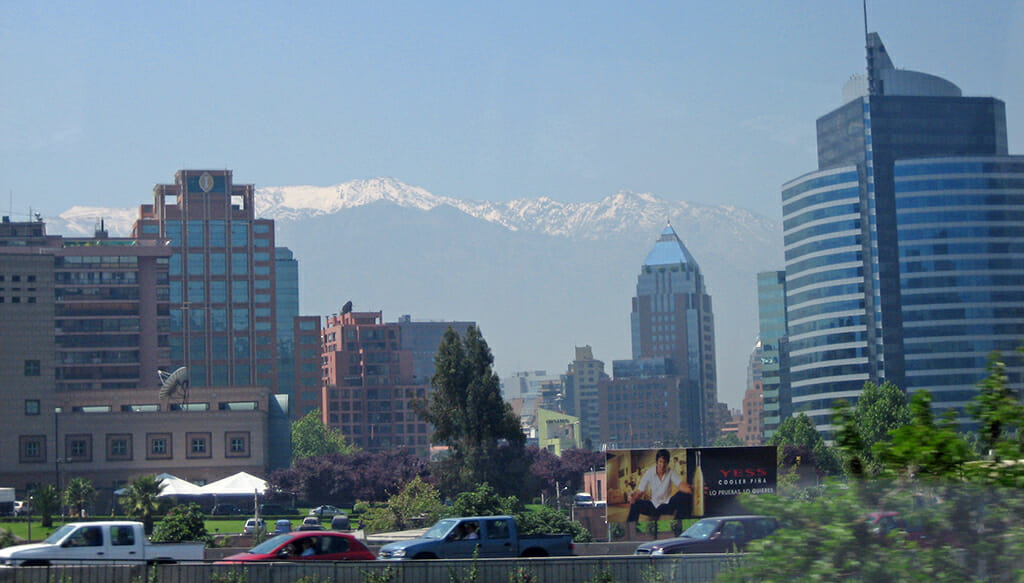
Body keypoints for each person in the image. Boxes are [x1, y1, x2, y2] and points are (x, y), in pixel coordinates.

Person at [626, 449, 693, 522]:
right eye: (660, 462)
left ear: (667, 463)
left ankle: (679, 524)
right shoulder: (649, 473)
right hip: (653, 506)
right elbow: (639, 492)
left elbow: (681, 485)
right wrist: (632, 497)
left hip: (667, 505)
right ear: (657, 462)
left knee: (683, 495)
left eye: (665, 462)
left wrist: (696, 489)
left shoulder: (670, 472)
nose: (662, 465)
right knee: (635, 504)